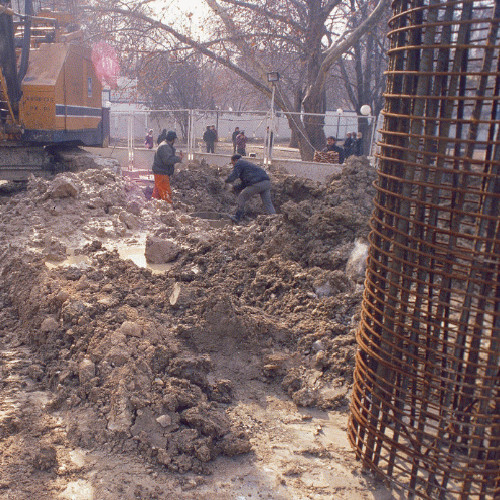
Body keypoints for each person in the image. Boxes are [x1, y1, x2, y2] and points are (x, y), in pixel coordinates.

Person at [225, 154, 276, 223]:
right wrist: (235, 188)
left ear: (236, 160)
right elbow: (244, 184)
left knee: (242, 196)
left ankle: (238, 216)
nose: (233, 165)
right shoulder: (247, 167)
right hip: (266, 183)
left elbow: (234, 175)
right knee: (268, 203)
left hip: (258, 183)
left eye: (232, 163)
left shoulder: (239, 163)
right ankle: (275, 220)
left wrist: (225, 181)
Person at [151, 130, 183, 204]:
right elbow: (167, 160)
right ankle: (168, 210)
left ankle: (153, 207)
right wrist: (178, 159)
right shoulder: (165, 146)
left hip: (159, 172)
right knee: (166, 193)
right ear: (173, 139)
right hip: (162, 172)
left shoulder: (164, 145)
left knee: (157, 193)